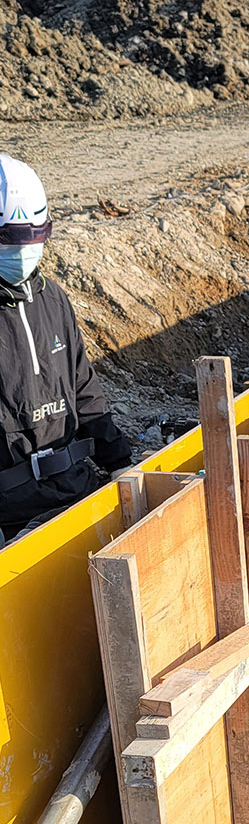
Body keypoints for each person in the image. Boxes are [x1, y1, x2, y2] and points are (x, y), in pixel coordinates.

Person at [0, 154, 132, 544]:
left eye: (34, 237)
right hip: (10, 514)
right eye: (10, 241)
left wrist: (119, 462)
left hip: (74, 489)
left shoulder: (52, 299)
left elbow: (83, 387)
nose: (23, 252)